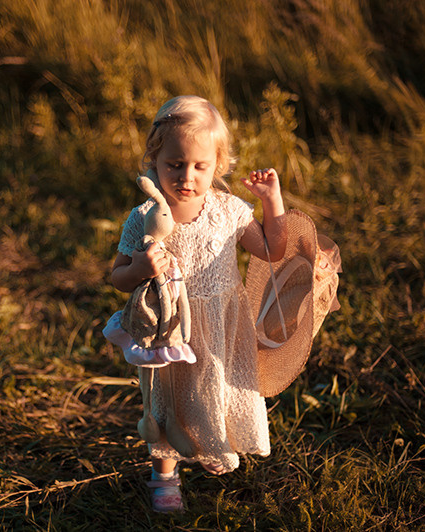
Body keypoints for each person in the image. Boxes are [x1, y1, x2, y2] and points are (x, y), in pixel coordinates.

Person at [108, 95, 287, 512]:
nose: (186, 177)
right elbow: (117, 277)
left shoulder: (229, 210)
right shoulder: (144, 216)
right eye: (174, 164)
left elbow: (272, 250)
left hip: (223, 324)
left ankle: (211, 441)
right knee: (167, 401)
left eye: (199, 166)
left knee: (218, 389)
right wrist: (140, 269)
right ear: (155, 160)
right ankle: (164, 476)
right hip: (171, 328)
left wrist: (271, 200)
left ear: (218, 165)